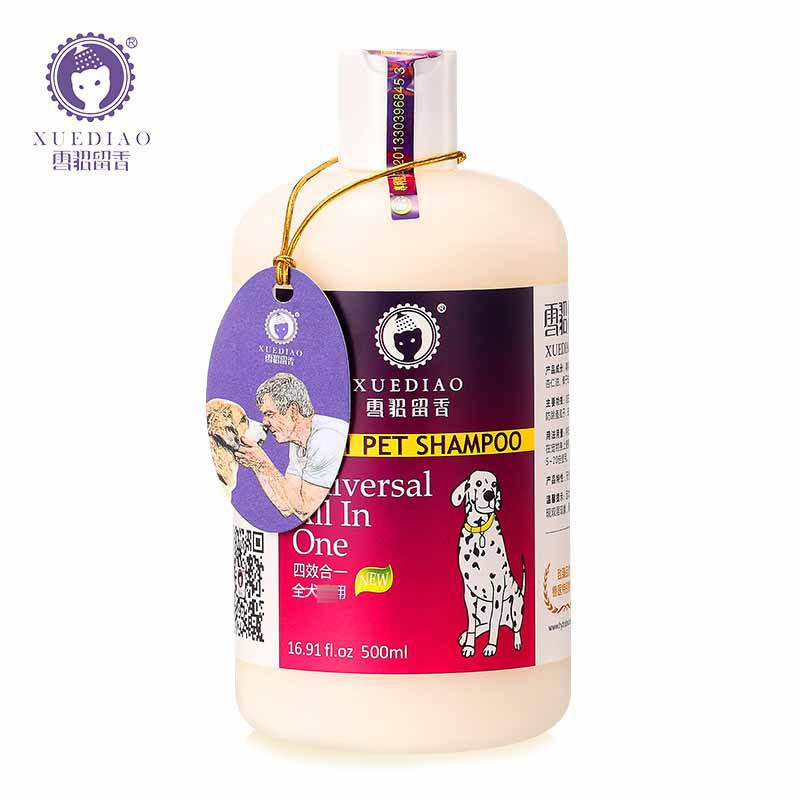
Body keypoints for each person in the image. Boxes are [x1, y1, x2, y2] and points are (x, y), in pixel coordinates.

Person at [235, 372, 347, 521]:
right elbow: (287, 505)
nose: (265, 423)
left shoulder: (326, 439)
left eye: (270, 414)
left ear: (293, 411)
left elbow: (307, 511)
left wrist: (262, 464)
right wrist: (257, 465)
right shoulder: (297, 440)